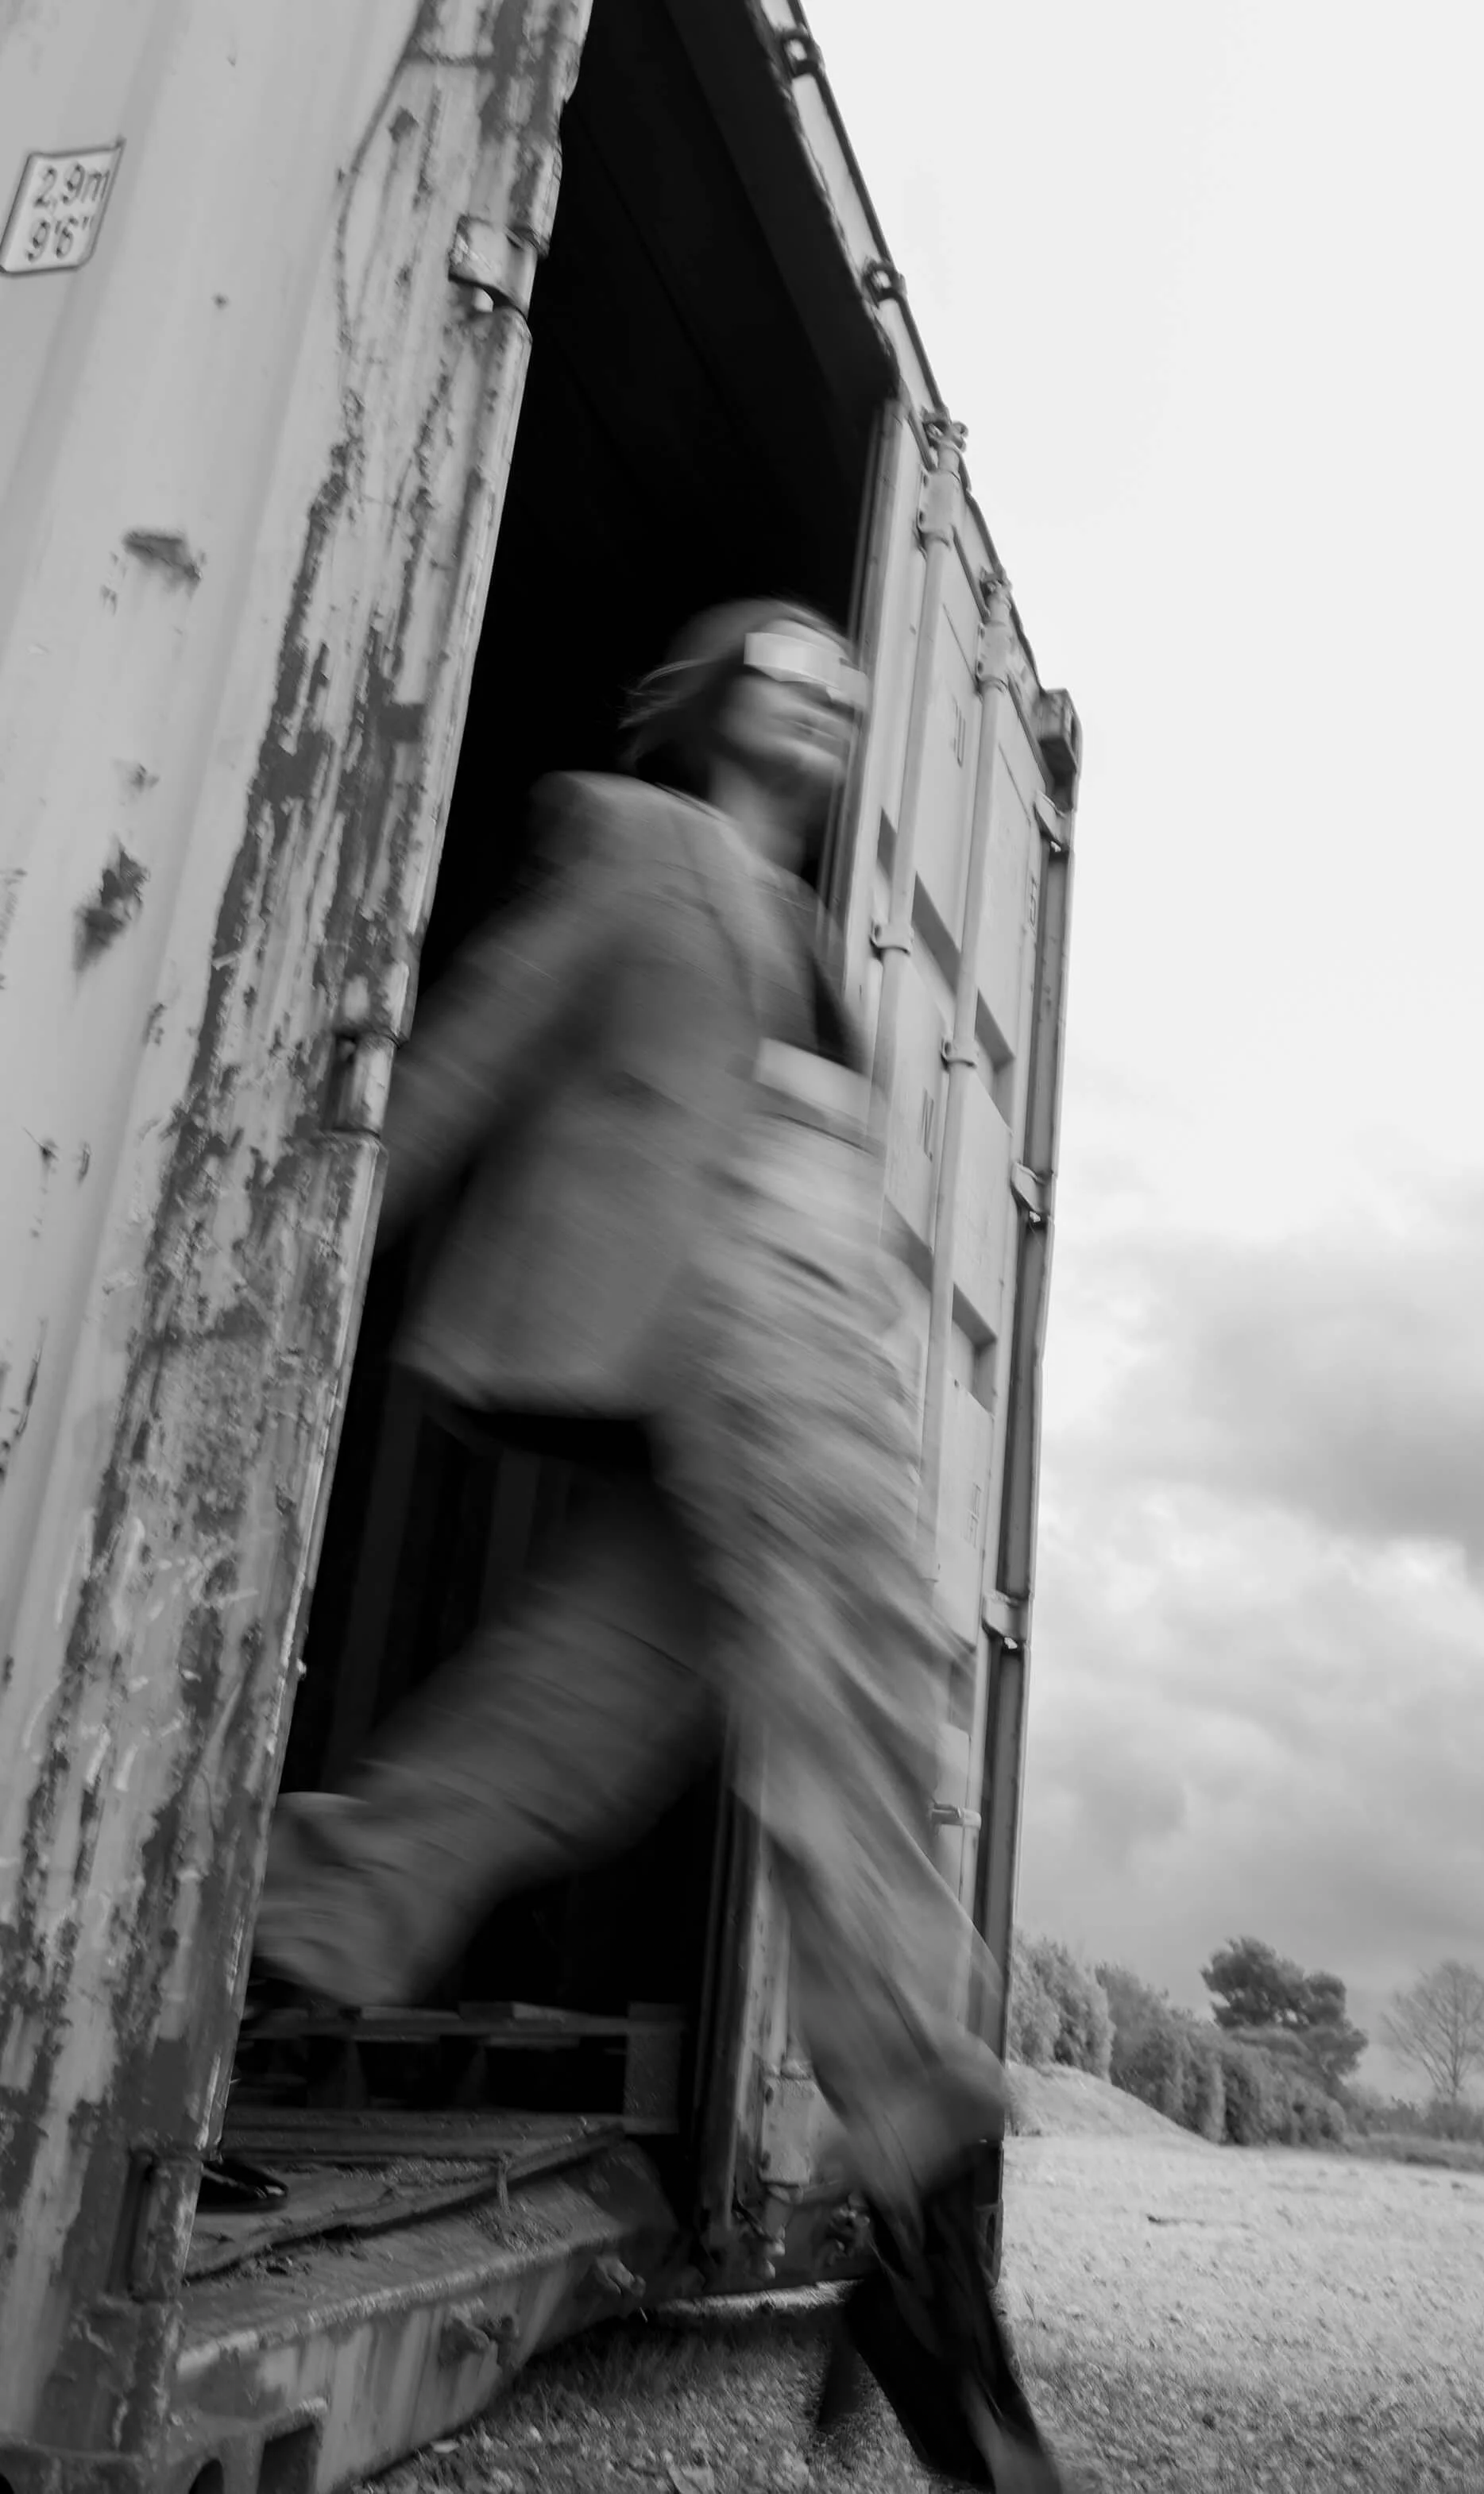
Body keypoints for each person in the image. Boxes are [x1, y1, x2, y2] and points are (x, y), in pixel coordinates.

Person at [251, 599, 1063, 2492]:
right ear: (707, 699)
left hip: (807, 1311)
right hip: (721, 1298)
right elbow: (480, 1042)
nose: (819, 688)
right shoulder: (638, 845)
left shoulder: (805, 931)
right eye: (779, 659)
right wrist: (304, 1247)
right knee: (868, 1710)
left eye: (840, 676)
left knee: (585, 1718)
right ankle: (931, 2277)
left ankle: (284, 1934)